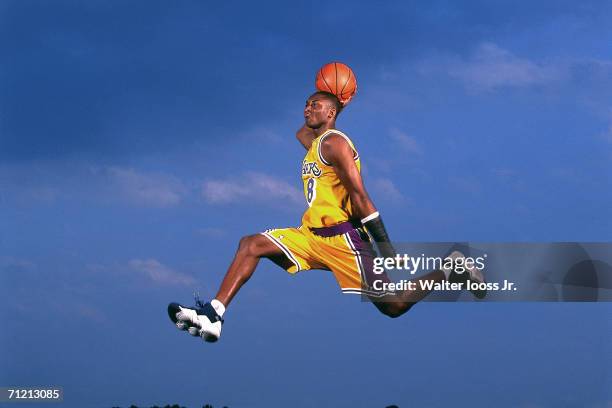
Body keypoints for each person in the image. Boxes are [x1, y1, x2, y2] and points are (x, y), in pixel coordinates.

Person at [168, 91, 485, 343]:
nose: (307, 109)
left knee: (394, 306)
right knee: (251, 244)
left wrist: (386, 248)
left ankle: (453, 267)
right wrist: (331, 98)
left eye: (315, 105)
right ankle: (214, 314)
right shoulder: (316, 143)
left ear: (331, 114)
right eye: (305, 104)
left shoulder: (335, 142)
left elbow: (360, 197)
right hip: (309, 236)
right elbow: (300, 132)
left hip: (344, 239)